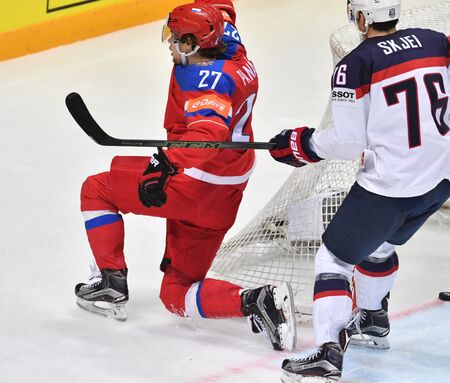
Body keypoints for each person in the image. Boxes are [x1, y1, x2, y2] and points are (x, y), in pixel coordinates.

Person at [269, 0, 450, 380]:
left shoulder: (355, 64)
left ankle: (327, 352)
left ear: (360, 17)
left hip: (391, 188)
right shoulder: (435, 42)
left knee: (334, 260)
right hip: (440, 181)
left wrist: (301, 144)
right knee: (381, 245)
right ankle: (372, 319)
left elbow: (347, 142)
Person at [74, 3, 296, 352]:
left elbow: (207, 133)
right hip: (227, 188)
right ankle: (256, 300)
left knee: (97, 190)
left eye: (176, 38)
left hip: (192, 179)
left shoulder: (205, 79)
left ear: (194, 43)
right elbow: (221, 12)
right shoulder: (232, 46)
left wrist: (166, 167)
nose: (170, 44)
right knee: (176, 293)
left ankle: (110, 283)